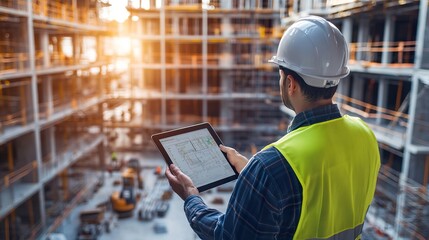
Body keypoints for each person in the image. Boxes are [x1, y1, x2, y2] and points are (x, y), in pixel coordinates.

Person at [165, 16, 380, 239]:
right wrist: (251, 174)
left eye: (280, 74)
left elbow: (228, 235)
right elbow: (324, 191)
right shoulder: (364, 135)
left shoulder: (271, 166)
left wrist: (191, 197)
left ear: (290, 83)